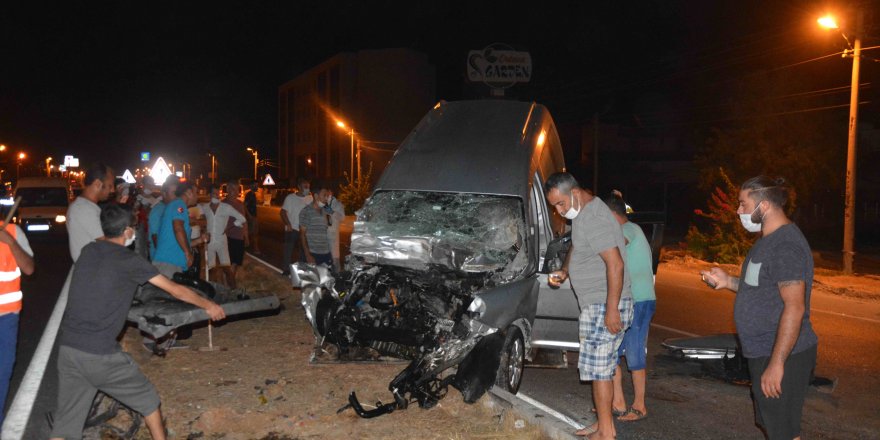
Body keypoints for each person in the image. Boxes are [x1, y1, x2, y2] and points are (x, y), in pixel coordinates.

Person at [49, 204, 225, 440]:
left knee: (65, 425)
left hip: (69, 349)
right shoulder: (129, 260)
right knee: (149, 401)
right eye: (132, 227)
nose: (133, 232)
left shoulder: (88, 251)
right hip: (100, 353)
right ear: (126, 231)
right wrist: (209, 306)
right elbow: (175, 290)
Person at [701, 176, 818, 440]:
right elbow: (760, 286)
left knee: (783, 432)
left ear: (763, 206)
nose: (738, 210)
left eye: (743, 204)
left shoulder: (786, 245)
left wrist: (777, 364)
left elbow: (795, 307)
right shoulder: (767, 241)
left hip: (783, 353)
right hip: (764, 350)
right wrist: (728, 281)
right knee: (775, 426)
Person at [544, 172, 633, 440]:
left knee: (599, 371)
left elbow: (615, 264)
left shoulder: (593, 218)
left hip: (603, 304)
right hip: (599, 304)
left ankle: (606, 431)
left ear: (574, 192)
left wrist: (611, 308)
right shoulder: (584, 214)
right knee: (601, 369)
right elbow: (577, 246)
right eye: (554, 207)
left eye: (560, 204)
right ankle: (601, 422)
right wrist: (566, 270)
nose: (559, 211)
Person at [605, 192, 656, 422]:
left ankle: (640, 405)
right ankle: (617, 402)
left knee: (634, 351)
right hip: (627, 300)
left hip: (640, 300)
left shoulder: (629, 230)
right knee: (613, 351)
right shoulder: (625, 230)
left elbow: (612, 250)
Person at [0, 219, 35, 428]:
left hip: (6, 319)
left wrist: (10, 242)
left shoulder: (12, 231)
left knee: (2, 372)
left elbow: (29, 268)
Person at [152, 181, 207, 279]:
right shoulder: (179, 205)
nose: (197, 196)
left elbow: (181, 240)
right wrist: (188, 253)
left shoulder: (177, 206)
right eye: (196, 193)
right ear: (189, 193)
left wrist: (200, 240)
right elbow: (178, 228)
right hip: (168, 262)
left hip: (172, 262)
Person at [200, 185, 246, 287]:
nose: (216, 196)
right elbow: (198, 217)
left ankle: (234, 290)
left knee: (227, 269)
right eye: (214, 194)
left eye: (218, 193)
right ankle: (214, 292)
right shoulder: (205, 208)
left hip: (222, 242)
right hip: (209, 242)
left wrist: (231, 226)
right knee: (211, 270)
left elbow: (242, 218)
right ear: (209, 195)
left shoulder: (226, 207)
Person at [67, 163, 114, 262]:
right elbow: (107, 243)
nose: (112, 190)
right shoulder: (85, 209)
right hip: (92, 271)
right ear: (97, 183)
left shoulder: (85, 206)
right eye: (110, 186)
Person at [280, 177, 312, 275]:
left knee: (304, 251)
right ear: (298, 187)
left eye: (308, 186)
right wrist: (288, 224)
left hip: (304, 230)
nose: (307, 188)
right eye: (305, 186)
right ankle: (286, 269)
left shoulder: (310, 198)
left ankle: (302, 270)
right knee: (288, 250)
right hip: (292, 229)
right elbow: (282, 212)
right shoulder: (290, 198)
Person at [299, 181, 333, 267]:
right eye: (324, 195)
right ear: (316, 196)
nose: (326, 198)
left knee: (328, 279)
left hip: (326, 253)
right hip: (313, 254)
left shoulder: (325, 211)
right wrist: (308, 255)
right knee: (314, 280)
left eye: (327, 196)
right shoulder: (306, 212)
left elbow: (328, 231)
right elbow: (302, 235)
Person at [147, 176, 180, 261]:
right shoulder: (157, 211)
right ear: (164, 194)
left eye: (176, 193)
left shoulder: (172, 208)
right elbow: (155, 238)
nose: (175, 196)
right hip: (161, 258)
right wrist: (165, 257)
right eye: (172, 193)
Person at [223, 181, 248, 284]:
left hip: (239, 238)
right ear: (228, 190)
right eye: (232, 189)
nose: (235, 191)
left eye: (237, 189)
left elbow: (244, 221)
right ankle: (231, 286)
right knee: (229, 264)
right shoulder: (223, 204)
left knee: (236, 263)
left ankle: (229, 283)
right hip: (227, 238)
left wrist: (246, 236)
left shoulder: (240, 204)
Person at [325, 188, 345, 271]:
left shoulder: (338, 204)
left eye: (329, 193)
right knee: (326, 257)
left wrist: (332, 212)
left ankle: (337, 275)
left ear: (332, 193)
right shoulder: (322, 203)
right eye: (326, 193)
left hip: (333, 234)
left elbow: (342, 218)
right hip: (324, 233)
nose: (327, 195)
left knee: (335, 257)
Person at [244, 181, 261, 255]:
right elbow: (244, 205)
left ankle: (245, 244)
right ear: (251, 186)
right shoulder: (249, 195)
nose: (257, 187)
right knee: (254, 233)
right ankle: (255, 248)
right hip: (251, 217)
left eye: (257, 185)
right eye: (255, 185)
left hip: (253, 216)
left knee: (252, 232)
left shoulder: (253, 195)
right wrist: (249, 216)